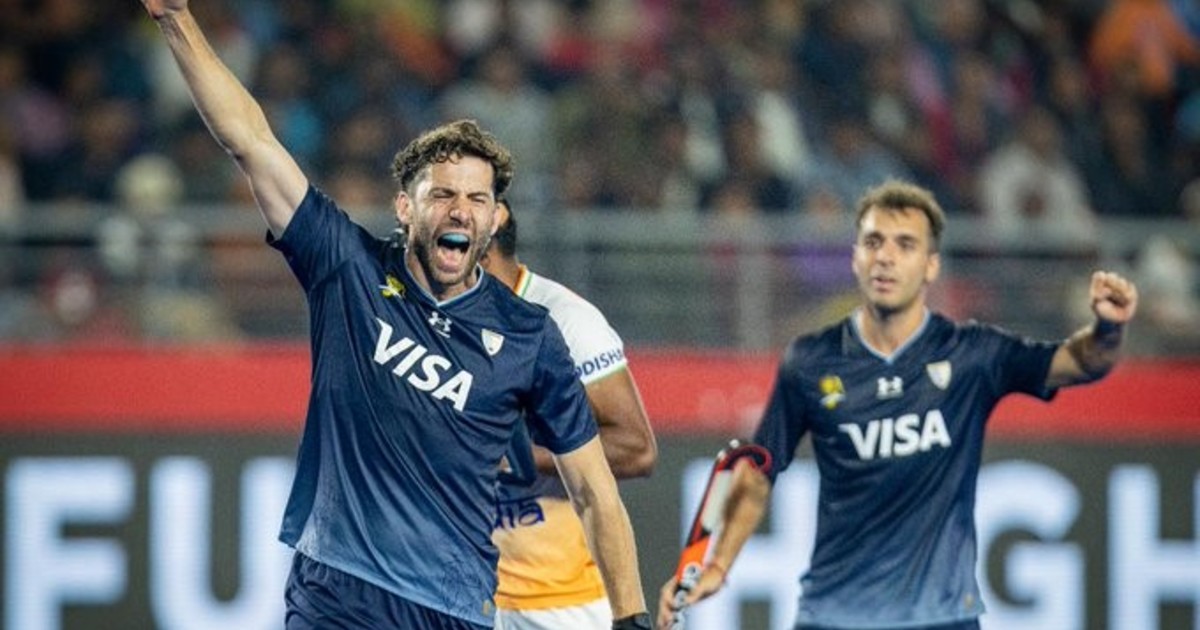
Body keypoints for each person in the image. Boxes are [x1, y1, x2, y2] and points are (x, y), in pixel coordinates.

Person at [136, 2, 652, 629]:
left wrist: (630, 618)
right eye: (442, 194)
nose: (459, 210)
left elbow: (595, 490)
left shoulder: (532, 334)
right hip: (335, 596)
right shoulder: (345, 266)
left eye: (477, 198)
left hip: (450, 607)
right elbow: (251, 141)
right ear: (405, 208)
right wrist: (176, 19)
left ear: (495, 220)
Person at [657, 179, 1139, 630]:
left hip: (941, 617)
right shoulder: (810, 360)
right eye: (873, 242)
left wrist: (1108, 329)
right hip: (834, 615)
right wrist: (718, 564)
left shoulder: (972, 354)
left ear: (931, 265)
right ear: (855, 257)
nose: (885, 258)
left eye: (905, 245)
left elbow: (1079, 362)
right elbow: (758, 472)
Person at [481, 200, 658, 630]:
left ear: (492, 222)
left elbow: (637, 449)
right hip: (462, 589)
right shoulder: (432, 316)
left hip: (559, 602)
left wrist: (520, 455)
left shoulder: (567, 319)